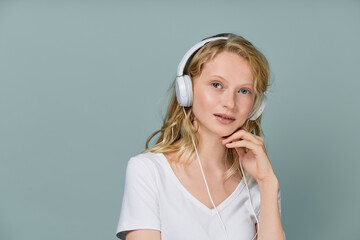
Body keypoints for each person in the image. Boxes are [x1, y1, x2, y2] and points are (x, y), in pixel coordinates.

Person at [116, 33, 285, 240]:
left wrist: (268, 182)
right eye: (217, 85)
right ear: (186, 90)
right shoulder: (148, 171)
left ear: (256, 106)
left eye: (243, 91)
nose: (230, 103)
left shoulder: (259, 184)